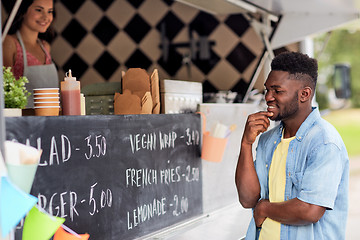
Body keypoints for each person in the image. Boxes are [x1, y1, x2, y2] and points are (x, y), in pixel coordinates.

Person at [235, 51, 349, 240]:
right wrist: (246, 143)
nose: (268, 97)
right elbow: (247, 200)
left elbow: (310, 210)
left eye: (277, 91)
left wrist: (264, 208)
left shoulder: (324, 142)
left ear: (304, 94)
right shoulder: (267, 140)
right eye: (267, 90)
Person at [2, 0, 58, 108]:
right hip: (23, 120)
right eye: (39, 10)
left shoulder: (45, 46)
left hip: (50, 118)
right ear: (23, 11)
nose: (46, 17)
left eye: (50, 11)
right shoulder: (9, 43)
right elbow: (6, 91)